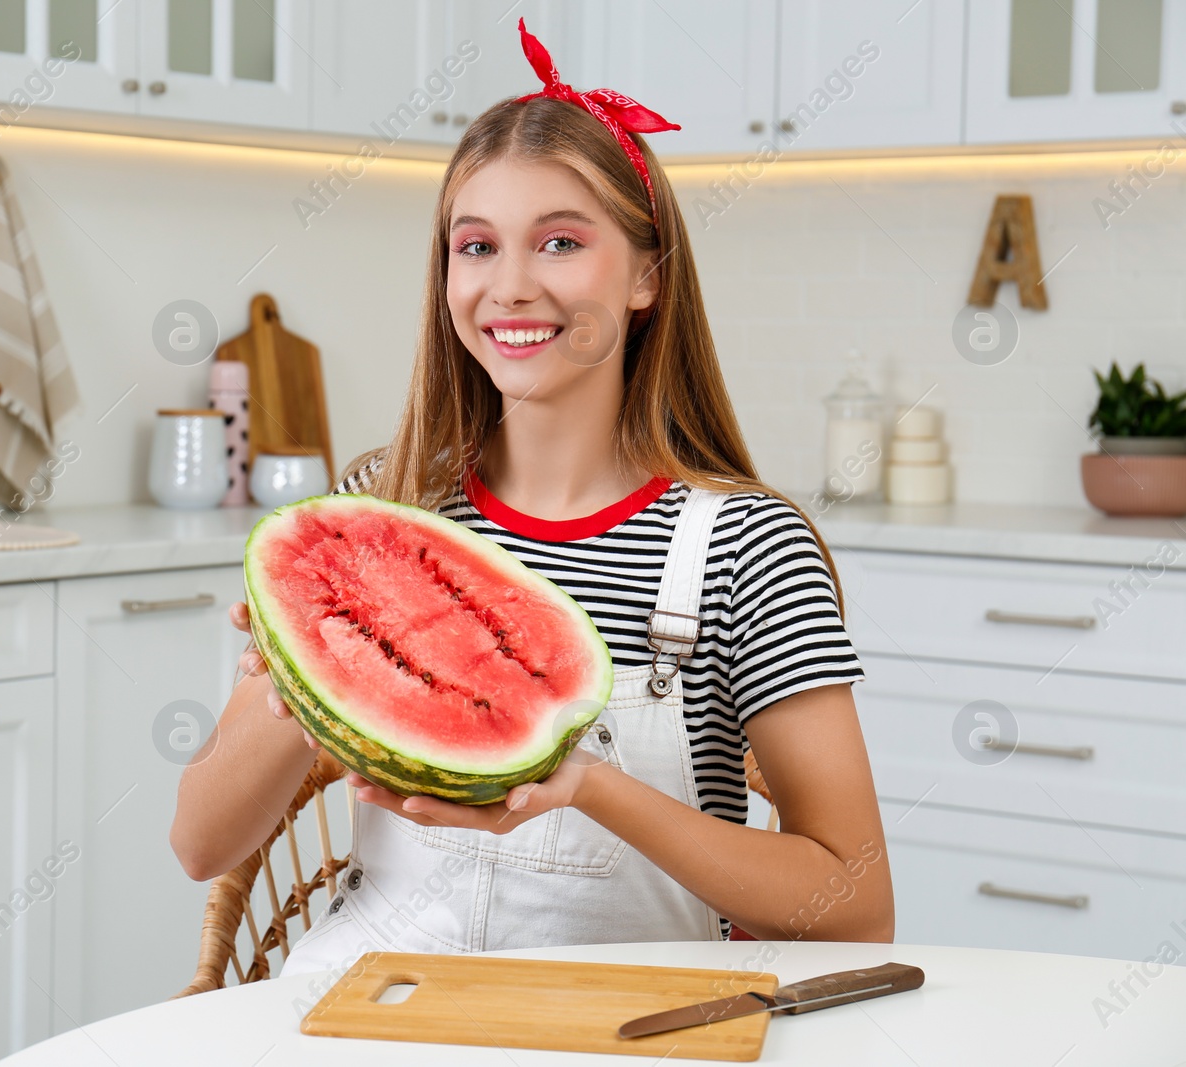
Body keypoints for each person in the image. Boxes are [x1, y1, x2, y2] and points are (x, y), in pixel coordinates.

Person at [171, 20, 893, 978]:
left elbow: (857, 905)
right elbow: (198, 846)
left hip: (630, 1019)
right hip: (369, 1005)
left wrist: (589, 787)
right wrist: (305, 670)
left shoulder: (744, 547)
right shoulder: (383, 503)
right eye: (476, 247)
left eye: (559, 242)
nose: (509, 288)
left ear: (647, 275)